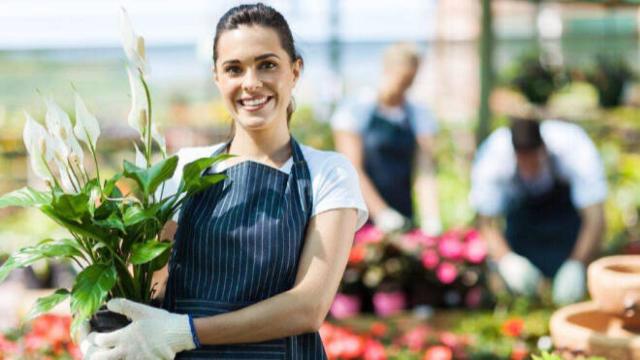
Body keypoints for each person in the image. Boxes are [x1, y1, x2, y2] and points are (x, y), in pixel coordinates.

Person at [81, 3, 368, 359]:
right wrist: (104, 319)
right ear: (217, 77)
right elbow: (154, 285)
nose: (251, 83)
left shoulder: (327, 173)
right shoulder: (183, 170)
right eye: (234, 69)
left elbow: (308, 306)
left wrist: (184, 332)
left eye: (267, 65)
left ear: (295, 71)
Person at [470, 117, 607, 306]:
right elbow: (485, 223)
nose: (529, 169)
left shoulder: (574, 147)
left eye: (533, 161)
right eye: (522, 161)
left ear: (543, 149)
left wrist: (577, 264)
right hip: (522, 231)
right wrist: (507, 260)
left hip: (566, 230)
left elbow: (595, 218)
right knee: (516, 296)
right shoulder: (493, 156)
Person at [331, 43, 441, 235]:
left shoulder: (418, 114)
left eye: (411, 81)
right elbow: (351, 168)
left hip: (403, 211)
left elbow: (424, 169)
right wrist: (381, 213)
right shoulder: (355, 110)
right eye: (403, 79)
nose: (405, 87)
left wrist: (431, 217)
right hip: (361, 217)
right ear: (387, 70)